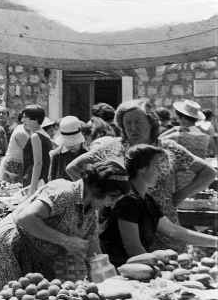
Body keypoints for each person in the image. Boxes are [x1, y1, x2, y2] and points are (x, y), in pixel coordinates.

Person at [66, 99, 215, 245]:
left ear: (151, 123)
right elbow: (74, 168)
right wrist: (99, 196)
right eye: (128, 123)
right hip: (121, 228)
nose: (133, 128)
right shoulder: (112, 148)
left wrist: (179, 196)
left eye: (138, 122)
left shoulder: (167, 148)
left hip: (164, 227)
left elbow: (208, 172)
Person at [0, 161, 130, 287]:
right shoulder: (64, 192)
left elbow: (94, 251)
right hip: (8, 247)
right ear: (98, 189)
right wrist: (66, 241)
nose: (112, 204)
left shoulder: (90, 212)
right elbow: (25, 218)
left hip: (33, 253)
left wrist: (109, 282)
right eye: (112, 197)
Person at [100, 144, 218, 266]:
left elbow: (173, 230)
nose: (160, 172)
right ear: (142, 168)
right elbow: (134, 249)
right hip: (121, 269)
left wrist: (215, 242)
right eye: (157, 166)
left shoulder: (146, 199)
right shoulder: (127, 201)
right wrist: (158, 270)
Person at [0, 104, 50, 192]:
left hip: (35, 179)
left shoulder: (35, 136)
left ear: (35, 119)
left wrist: (32, 187)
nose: (22, 120)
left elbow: (38, 163)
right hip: (41, 177)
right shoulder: (44, 134)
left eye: (25, 117)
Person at [48, 116, 88, 182]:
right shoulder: (57, 155)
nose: (71, 145)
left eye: (74, 142)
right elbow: (52, 181)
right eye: (68, 143)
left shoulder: (87, 155)